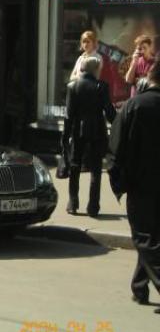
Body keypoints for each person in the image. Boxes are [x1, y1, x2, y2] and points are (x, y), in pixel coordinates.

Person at [108, 59, 160, 313]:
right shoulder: (136, 105)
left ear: (149, 78)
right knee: (152, 235)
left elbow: (116, 148)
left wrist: (118, 181)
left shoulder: (134, 105)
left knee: (144, 236)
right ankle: (139, 287)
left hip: (142, 183)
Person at [62, 56, 116, 216]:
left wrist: (65, 137)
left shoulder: (73, 86)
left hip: (78, 131)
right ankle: (93, 207)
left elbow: (68, 115)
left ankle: (72, 203)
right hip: (97, 131)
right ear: (95, 69)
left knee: (75, 166)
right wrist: (120, 123)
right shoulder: (101, 86)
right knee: (96, 169)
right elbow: (109, 112)